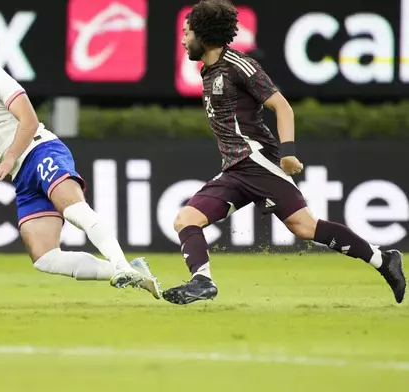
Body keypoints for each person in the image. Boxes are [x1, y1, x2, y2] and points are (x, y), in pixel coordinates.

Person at [162, 0, 405, 305]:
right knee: (186, 220)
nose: (183, 40)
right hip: (235, 169)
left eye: (187, 33)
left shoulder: (240, 65)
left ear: (204, 34)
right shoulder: (208, 71)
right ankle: (202, 282)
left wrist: (288, 153)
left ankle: (385, 260)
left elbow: (282, 106)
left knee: (304, 227)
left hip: (258, 161)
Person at [0, 31, 161, 299]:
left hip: (40, 149)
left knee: (73, 209)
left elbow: (28, 119)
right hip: (20, 173)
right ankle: (130, 272)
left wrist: (8, 158)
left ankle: (121, 264)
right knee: (44, 258)